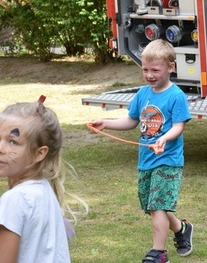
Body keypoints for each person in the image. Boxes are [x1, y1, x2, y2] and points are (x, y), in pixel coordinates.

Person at [89, 40, 193, 263]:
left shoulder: (176, 96)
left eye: (155, 70)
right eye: (145, 69)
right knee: (154, 206)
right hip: (146, 160)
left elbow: (178, 126)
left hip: (168, 159)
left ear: (171, 67)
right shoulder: (143, 94)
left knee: (157, 206)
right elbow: (131, 120)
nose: (149, 75)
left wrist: (163, 139)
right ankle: (181, 229)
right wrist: (106, 123)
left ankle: (159, 253)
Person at [0, 98, 87, 263]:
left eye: (13, 142)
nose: (1, 148)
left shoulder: (15, 200)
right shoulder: (44, 189)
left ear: (39, 153)